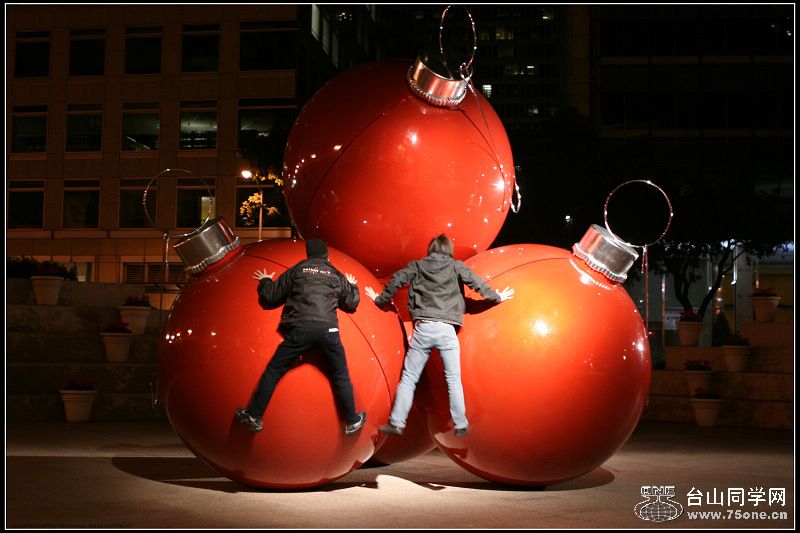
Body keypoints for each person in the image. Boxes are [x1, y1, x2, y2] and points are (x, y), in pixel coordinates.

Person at [364, 234, 514, 437]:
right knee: (453, 379)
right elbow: (476, 283)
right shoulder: (456, 266)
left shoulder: (418, 266)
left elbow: (397, 280)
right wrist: (496, 297)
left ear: (431, 250)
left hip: (423, 328)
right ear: (448, 250)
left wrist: (380, 300)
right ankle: (460, 424)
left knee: (409, 378)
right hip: (447, 329)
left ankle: (397, 422)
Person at [235, 239, 367, 435]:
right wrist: (353, 285)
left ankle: (254, 415)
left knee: (274, 371)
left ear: (308, 254)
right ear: (327, 256)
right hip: (329, 331)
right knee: (340, 375)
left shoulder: (298, 270)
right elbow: (352, 303)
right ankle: (352, 420)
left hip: (300, 330)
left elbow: (270, 297)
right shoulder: (335, 274)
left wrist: (265, 280)